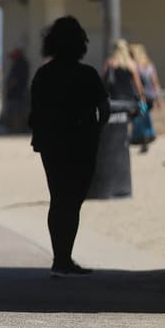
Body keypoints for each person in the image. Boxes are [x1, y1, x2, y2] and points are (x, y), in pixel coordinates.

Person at [28, 16, 111, 278]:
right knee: (73, 200)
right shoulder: (87, 74)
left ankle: (60, 257)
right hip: (82, 141)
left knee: (58, 197)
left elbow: (35, 112)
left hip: (51, 142)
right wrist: (95, 129)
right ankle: (64, 257)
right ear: (80, 44)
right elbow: (104, 109)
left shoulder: (44, 74)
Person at [129, 43, 163, 153]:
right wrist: (159, 98)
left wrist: (141, 96)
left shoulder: (135, 66)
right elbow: (156, 82)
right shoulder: (149, 65)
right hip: (151, 97)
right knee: (144, 115)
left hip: (141, 98)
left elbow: (138, 84)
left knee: (140, 116)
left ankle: (143, 139)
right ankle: (145, 138)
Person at [0, 47, 31, 133]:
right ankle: (20, 129)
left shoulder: (19, 64)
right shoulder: (23, 63)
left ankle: (17, 129)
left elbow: (14, 80)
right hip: (20, 92)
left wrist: (10, 86)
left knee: (16, 112)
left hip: (16, 93)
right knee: (20, 112)